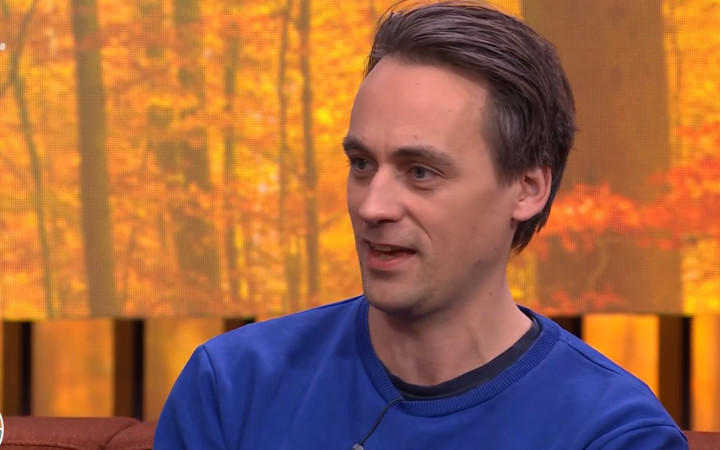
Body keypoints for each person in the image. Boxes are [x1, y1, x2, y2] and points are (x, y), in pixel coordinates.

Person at [154, 1, 687, 448]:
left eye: (420, 172)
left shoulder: (612, 431)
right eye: (362, 164)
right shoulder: (231, 387)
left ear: (527, 189)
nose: (373, 206)